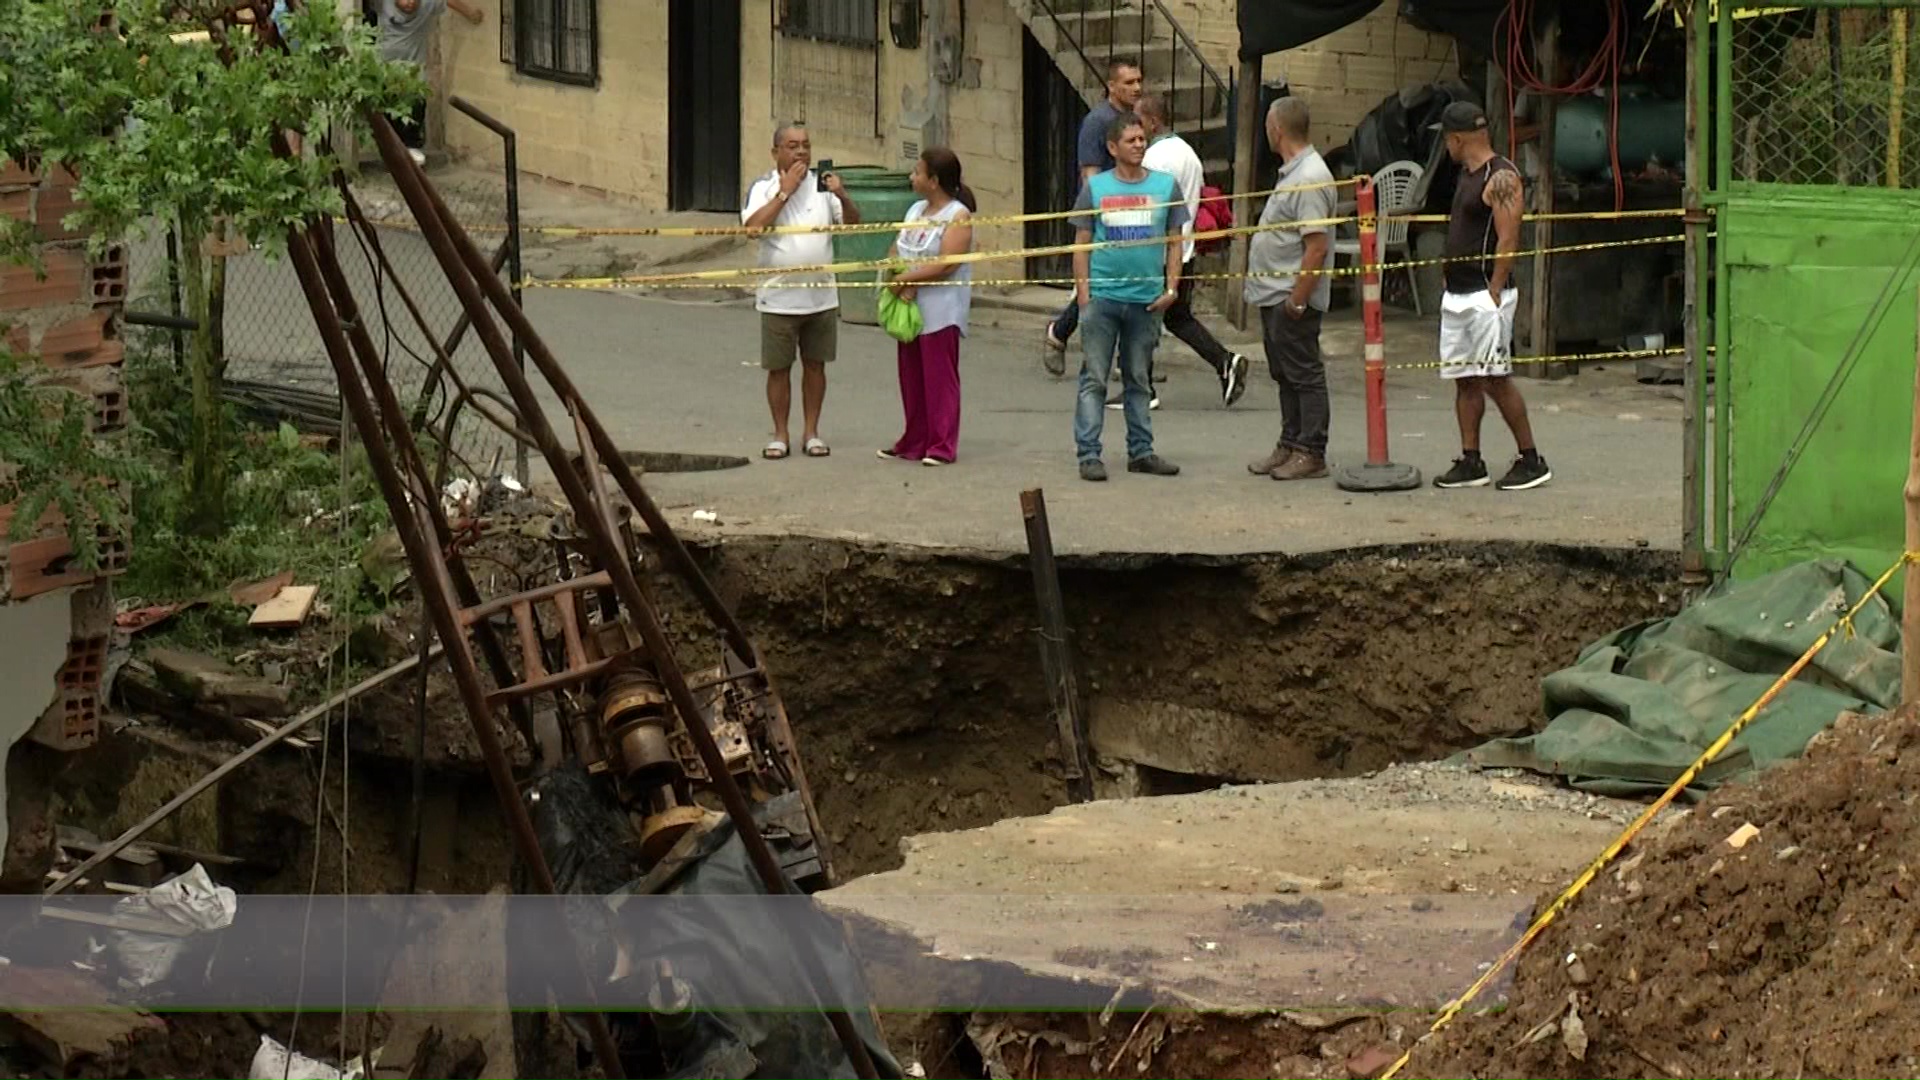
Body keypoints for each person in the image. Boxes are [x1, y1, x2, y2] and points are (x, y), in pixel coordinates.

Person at [1428, 101, 1550, 490]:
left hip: (1484, 294)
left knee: (1496, 378)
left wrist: (1495, 290)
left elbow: (1509, 236)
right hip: (1459, 292)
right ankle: (1471, 459)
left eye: (1446, 138)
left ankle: (1531, 458)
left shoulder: (1501, 177)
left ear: (1457, 138)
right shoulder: (1467, 174)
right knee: (1464, 378)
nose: (1445, 146)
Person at [1070, 113, 1186, 482]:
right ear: (1112, 147)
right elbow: (1081, 244)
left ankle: (1142, 451)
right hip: (1103, 297)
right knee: (1095, 378)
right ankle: (1089, 454)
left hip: (1146, 299)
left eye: (1141, 139)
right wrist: (1085, 295)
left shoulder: (1166, 187)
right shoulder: (1096, 188)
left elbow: (1174, 241)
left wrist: (1171, 289)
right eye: (1131, 140)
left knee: (1139, 378)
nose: (1139, 145)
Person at [742, 123, 862, 460]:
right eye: (793, 146)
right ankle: (780, 434)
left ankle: (812, 431)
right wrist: (785, 192)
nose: (801, 152)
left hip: (821, 296)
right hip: (778, 296)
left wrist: (842, 195)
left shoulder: (823, 186)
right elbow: (753, 229)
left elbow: (853, 224)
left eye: (806, 145)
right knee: (779, 368)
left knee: (816, 366)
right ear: (776, 151)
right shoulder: (763, 187)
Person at [1124, 92, 1250, 411]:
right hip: (1184, 249)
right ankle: (1224, 361)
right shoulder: (1188, 154)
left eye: (1139, 121)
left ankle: (1143, 388)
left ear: (1153, 122)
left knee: (1140, 318)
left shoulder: (1154, 159)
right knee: (1178, 319)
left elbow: (1151, 208)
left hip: (1160, 253)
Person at [1243, 97, 1336, 482]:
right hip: (1274, 293)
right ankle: (1290, 441)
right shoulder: (1293, 172)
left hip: (1290, 296)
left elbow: (1316, 245)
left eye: (1267, 124)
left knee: (1303, 373)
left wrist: (1297, 300)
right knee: (1284, 373)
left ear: (1277, 128)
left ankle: (1311, 450)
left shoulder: (1310, 176)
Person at [1042, 57, 1143, 375]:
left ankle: (1126, 355)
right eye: (1128, 83)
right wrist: (1102, 216)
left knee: (1117, 283)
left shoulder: (1130, 118)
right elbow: (1090, 174)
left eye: (1139, 81)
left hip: (1128, 211)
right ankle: (1061, 334)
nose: (1136, 88)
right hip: (1104, 215)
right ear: (1111, 86)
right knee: (1100, 285)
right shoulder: (1098, 121)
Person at [877, 149, 976, 467]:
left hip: (941, 309)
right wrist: (896, 275)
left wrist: (910, 280)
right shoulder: (915, 210)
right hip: (909, 307)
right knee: (911, 377)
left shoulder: (957, 216)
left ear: (934, 180)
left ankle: (941, 443)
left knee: (939, 378)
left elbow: (946, 264)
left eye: (917, 172)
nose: (912, 177)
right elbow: (898, 246)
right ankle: (913, 439)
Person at [375, 0, 483, 166]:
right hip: (384, 69)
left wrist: (470, 12)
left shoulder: (427, 5)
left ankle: (410, 146)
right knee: (388, 111)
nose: (410, 3)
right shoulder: (383, 4)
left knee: (416, 104)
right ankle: (391, 152)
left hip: (412, 71)